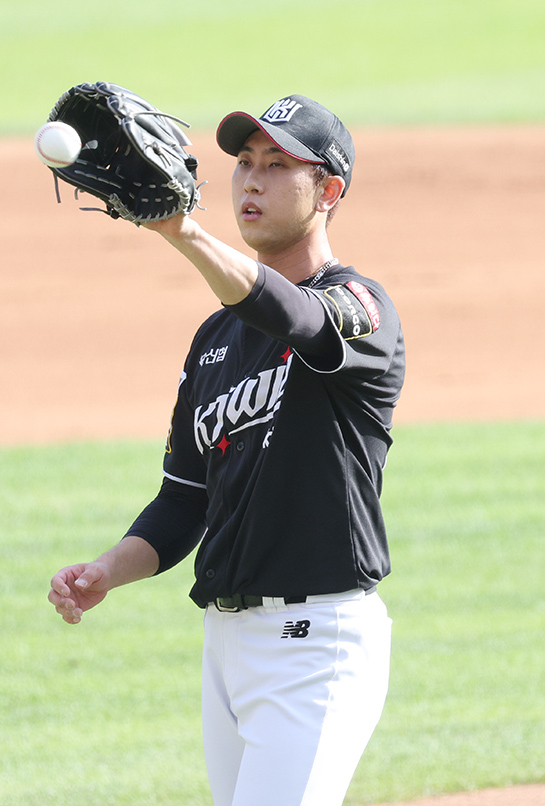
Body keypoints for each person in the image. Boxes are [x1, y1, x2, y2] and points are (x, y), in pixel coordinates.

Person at [48, 93, 406, 806]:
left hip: (315, 644)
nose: (250, 180)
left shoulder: (359, 307)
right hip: (227, 647)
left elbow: (297, 316)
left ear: (328, 191)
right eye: (244, 162)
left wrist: (182, 232)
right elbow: (184, 501)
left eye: (278, 166)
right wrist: (107, 569)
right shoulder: (215, 341)